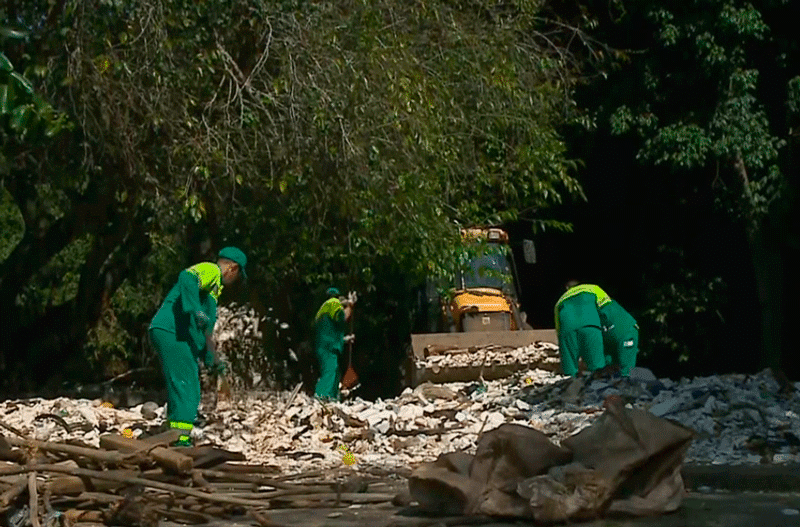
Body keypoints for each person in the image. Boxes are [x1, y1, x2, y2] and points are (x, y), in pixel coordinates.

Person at [149, 246, 247, 446]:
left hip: (177, 335)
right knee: (187, 387)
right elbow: (186, 277)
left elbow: (205, 331)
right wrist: (194, 309)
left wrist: (213, 359)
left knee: (184, 384)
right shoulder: (211, 270)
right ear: (233, 269)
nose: (234, 282)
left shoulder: (213, 290)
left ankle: (175, 435)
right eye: (237, 276)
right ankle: (180, 440)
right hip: (171, 331)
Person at [554, 280, 639, 378]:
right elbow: (607, 307)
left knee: (570, 371)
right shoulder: (593, 288)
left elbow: (558, 328)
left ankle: (571, 387)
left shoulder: (560, 301)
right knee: (602, 369)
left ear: (567, 289)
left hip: (567, 328)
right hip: (594, 324)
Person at [313, 287, 354, 401]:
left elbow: (330, 330)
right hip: (329, 347)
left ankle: (332, 398)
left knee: (334, 371)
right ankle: (321, 397)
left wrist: (344, 339)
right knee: (330, 371)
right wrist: (350, 305)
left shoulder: (322, 309)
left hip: (323, 346)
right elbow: (343, 318)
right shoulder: (333, 304)